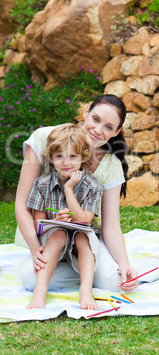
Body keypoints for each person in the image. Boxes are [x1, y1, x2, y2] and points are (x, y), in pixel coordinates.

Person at [16, 94, 159, 294]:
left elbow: (111, 225)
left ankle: (154, 263)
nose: (98, 130)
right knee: (30, 278)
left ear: (117, 132)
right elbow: (22, 204)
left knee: (113, 282)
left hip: (85, 237)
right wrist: (35, 249)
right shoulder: (45, 138)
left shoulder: (111, 164)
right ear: (86, 112)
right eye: (96, 119)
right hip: (49, 237)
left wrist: (123, 262)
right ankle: (90, 272)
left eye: (108, 127)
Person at [25, 123, 103, 309]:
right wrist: (55, 222)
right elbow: (38, 224)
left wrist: (69, 189)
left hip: (81, 240)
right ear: (51, 158)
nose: (66, 163)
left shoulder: (92, 185)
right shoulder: (41, 184)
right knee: (59, 233)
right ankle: (39, 292)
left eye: (72, 156)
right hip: (53, 239)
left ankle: (85, 291)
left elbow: (84, 220)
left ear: (83, 157)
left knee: (82, 237)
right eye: (59, 156)